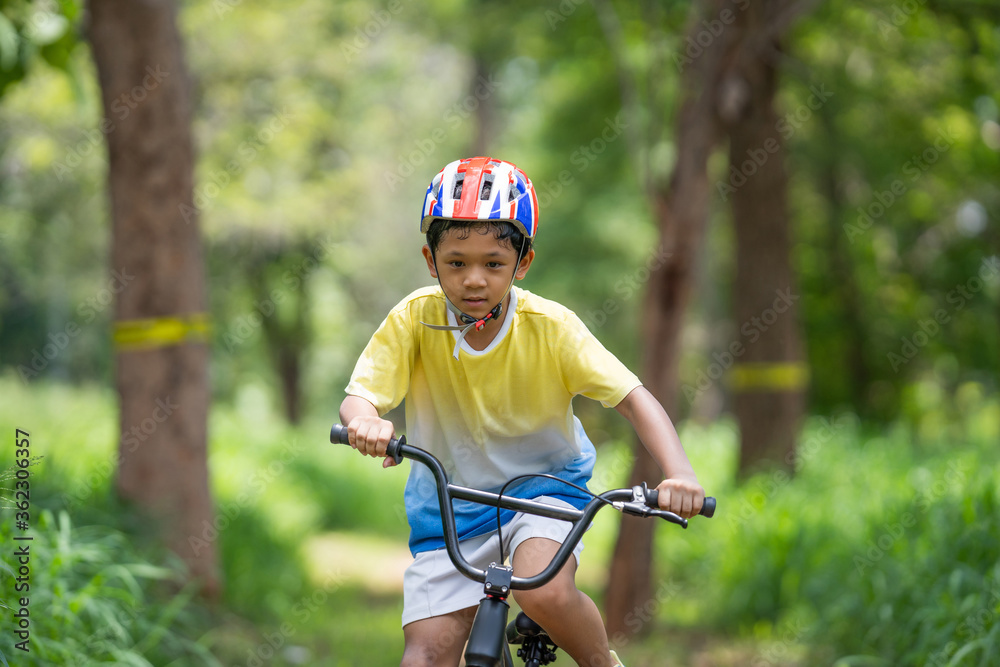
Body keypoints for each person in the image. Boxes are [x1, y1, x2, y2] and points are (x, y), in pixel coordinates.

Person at [339, 156, 705, 667]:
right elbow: (362, 395)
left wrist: (680, 473)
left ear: (522, 263)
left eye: (493, 263)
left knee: (545, 592)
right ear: (430, 260)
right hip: (452, 505)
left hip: (543, 489)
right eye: (456, 262)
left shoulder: (551, 327)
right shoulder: (413, 320)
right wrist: (366, 421)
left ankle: (603, 662)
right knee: (424, 655)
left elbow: (632, 397)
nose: (473, 280)